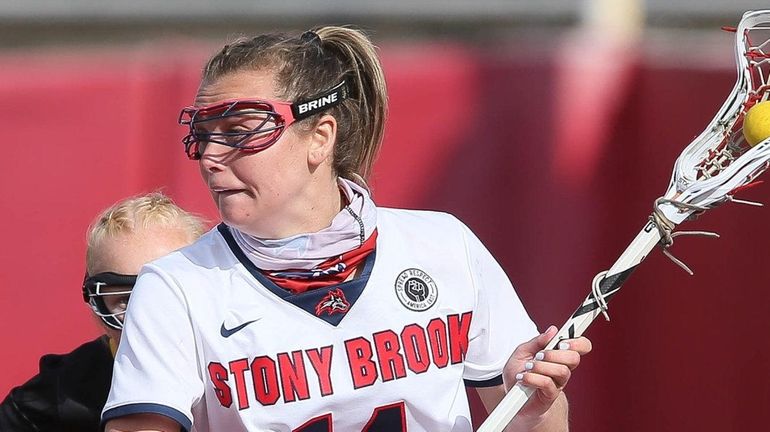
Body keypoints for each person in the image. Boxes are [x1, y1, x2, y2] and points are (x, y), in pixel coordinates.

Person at [103, 26, 592, 432]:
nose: (211, 157)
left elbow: (541, 425)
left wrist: (531, 407)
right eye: (204, 136)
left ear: (319, 137)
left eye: (240, 132)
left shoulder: (444, 244)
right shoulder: (174, 287)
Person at [0, 193, 206, 432]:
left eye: (168, 296)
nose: (147, 320)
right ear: (98, 307)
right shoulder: (66, 392)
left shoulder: (244, 361)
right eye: (125, 300)